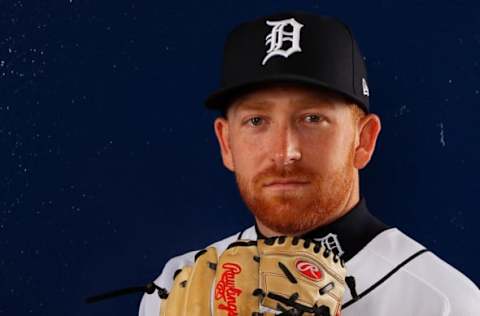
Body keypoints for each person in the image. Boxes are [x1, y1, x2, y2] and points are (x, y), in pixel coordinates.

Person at [139, 11, 480, 315]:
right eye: (257, 121)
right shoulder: (174, 288)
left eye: (313, 118)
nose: (285, 152)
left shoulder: (445, 303)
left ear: (364, 139)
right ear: (226, 143)